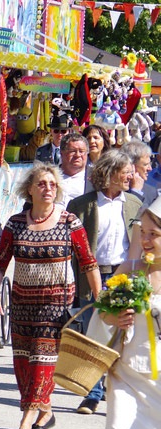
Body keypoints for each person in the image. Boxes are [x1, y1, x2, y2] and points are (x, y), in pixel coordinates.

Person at [0, 164, 101, 429]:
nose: (48, 188)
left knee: (42, 361)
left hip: (56, 305)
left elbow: (88, 263)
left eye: (52, 184)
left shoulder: (69, 222)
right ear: (29, 189)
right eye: (41, 183)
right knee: (23, 364)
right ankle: (46, 411)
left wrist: (100, 299)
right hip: (22, 304)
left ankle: (26, 419)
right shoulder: (15, 223)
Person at [67, 150, 142, 415]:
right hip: (92, 275)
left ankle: (116, 389)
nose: (130, 176)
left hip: (124, 278)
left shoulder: (134, 204)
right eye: (126, 171)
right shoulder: (81, 205)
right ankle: (92, 394)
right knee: (94, 337)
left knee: (122, 337)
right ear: (109, 173)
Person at [96, 204, 161, 429]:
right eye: (142, 232)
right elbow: (102, 312)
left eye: (154, 234)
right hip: (125, 374)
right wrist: (116, 317)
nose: (145, 240)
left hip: (159, 381)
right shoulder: (129, 270)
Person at [58, 132, 94, 207]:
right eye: (72, 151)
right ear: (61, 153)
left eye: (81, 151)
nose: (77, 155)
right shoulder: (50, 175)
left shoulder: (95, 178)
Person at [122, 140, 157, 205]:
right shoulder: (117, 190)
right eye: (145, 164)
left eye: (149, 164)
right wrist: (135, 191)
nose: (150, 169)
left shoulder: (151, 192)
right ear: (131, 165)